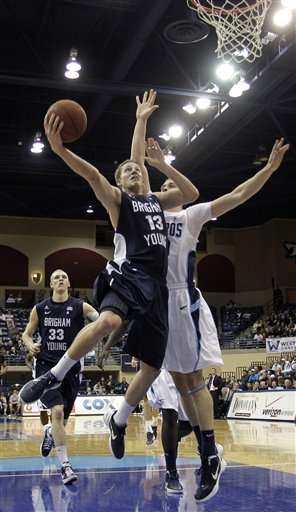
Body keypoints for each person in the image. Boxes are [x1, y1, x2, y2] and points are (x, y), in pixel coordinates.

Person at [19, 90, 199, 463]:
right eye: (128, 171)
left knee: (152, 366)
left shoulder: (155, 200)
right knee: (110, 318)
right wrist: (62, 151)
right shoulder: (120, 200)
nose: (134, 171)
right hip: (127, 273)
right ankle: (55, 373)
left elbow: (191, 192)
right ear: (120, 183)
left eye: (138, 170)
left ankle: (117, 419)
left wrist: (149, 138)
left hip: (157, 287)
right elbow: (92, 174)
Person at [142, 136, 289, 502]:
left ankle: (209, 454)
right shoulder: (149, 219)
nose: (165, 188)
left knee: (193, 381)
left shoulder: (191, 214)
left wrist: (269, 169)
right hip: (160, 305)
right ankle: (208, 452)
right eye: (162, 187)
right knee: (179, 382)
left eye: (171, 184)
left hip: (184, 300)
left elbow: (238, 195)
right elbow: (136, 187)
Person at [21, 268, 99, 484]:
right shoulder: (40, 308)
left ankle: (49, 433)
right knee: (56, 411)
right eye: (57, 277)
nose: (61, 279)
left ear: (68, 282)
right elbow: (26, 334)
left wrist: (103, 326)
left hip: (72, 368)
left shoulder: (80, 306)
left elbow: (99, 320)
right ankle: (65, 466)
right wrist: (31, 344)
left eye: (64, 276)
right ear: (51, 284)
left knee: (61, 420)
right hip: (46, 366)